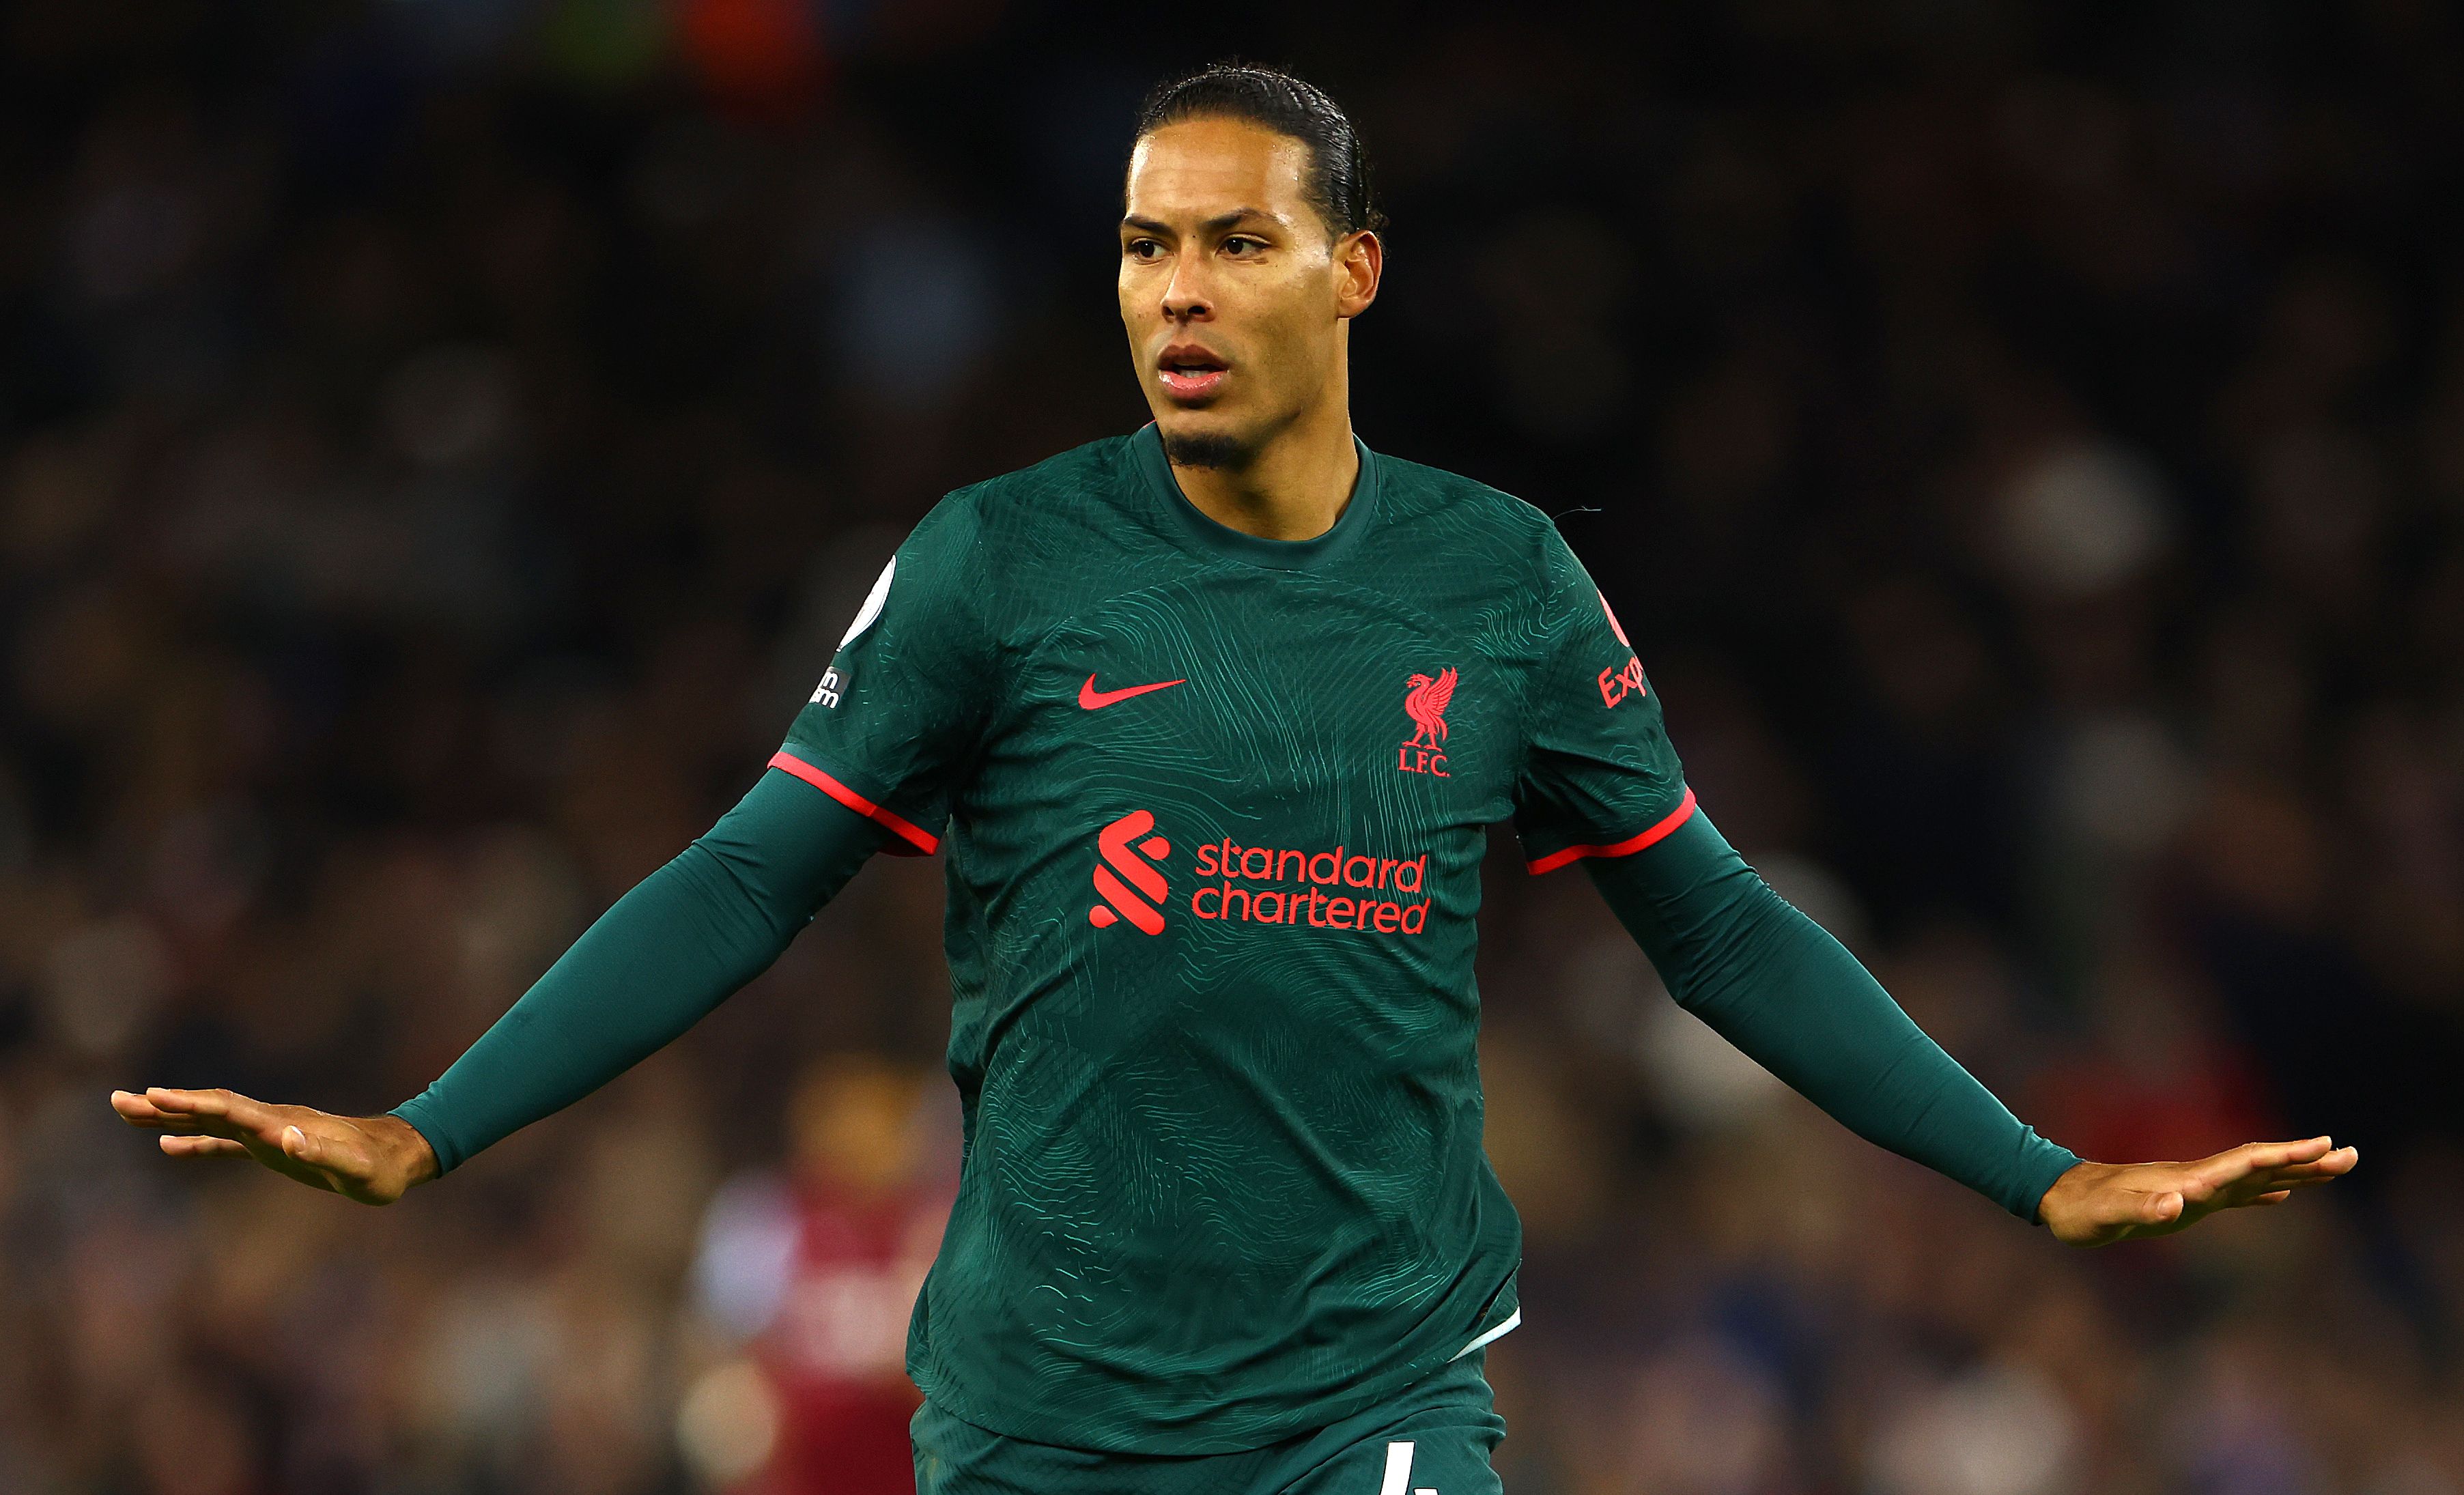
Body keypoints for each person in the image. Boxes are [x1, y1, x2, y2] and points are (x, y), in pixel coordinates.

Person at [113, 61, 2359, 1495]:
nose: (1173, 290)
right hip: (1034, 1418)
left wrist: (2032, 1172)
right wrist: (433, 1129)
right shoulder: (999, 564)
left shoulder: (1493, 584)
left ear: (1353, 271)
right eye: (1139, 245)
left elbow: (1721, 927)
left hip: (1361, 1397)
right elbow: (742, 879)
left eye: (1233, 241)